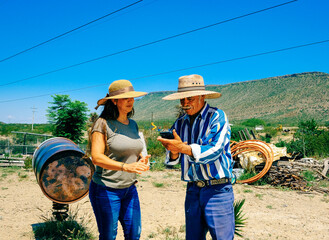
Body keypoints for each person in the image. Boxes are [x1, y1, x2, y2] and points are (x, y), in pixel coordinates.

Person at [157, 74, 235, 240]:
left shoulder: (217, 116)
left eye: (189, 99)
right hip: (193, 190)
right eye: (182, 100)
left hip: (217, 190)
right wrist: (173, 151)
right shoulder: (179, 123)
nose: (185, 104)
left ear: (202, 96)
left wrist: (184, 148)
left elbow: (215, 150)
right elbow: (173, 161)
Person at [88, 79, 150, 240]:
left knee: (134, 234)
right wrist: (125, 167)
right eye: (125, 98)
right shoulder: (102, 124)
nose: (131, 101)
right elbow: (96, 157)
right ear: (114, 101)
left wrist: (142, 159)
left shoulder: (133, 125)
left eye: (132, 97)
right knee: (109, 236)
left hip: (129, 188)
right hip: (106, 189)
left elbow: (134, 150)